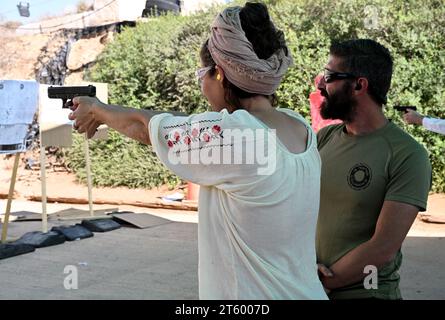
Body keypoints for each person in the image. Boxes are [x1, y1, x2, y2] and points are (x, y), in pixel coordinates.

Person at [69, 2, 327, 300]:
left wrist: (98, 110)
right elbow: (175, 126)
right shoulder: (297, 126)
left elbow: (146, 127)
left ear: (219, 73)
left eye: (202, 73)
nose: (201, 83)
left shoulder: (240, 135)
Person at [315, 39, 432, 299]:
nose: (321, 84)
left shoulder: (407, 155)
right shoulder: (325, 138)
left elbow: (383, 248)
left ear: (359, 85)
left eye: (329, 76)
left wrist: (321, 281)